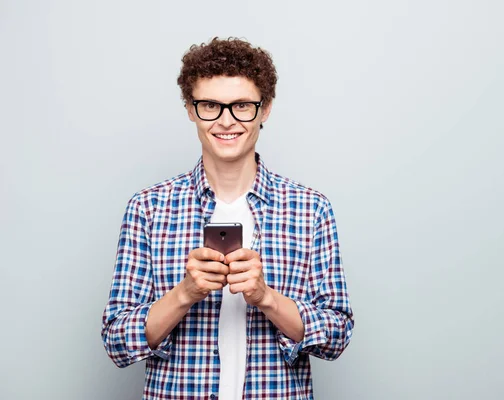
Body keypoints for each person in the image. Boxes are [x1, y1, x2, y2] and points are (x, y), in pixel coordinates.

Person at [101, 37, 354, 400]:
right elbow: (117, 341)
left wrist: (266, 298)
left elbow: (337, 335)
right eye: (210, 105)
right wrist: (186, 293)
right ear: (190, 109)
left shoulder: (310, 209)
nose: (226, 121)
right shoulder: (149, 208)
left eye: (241, 106)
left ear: (264, 109)